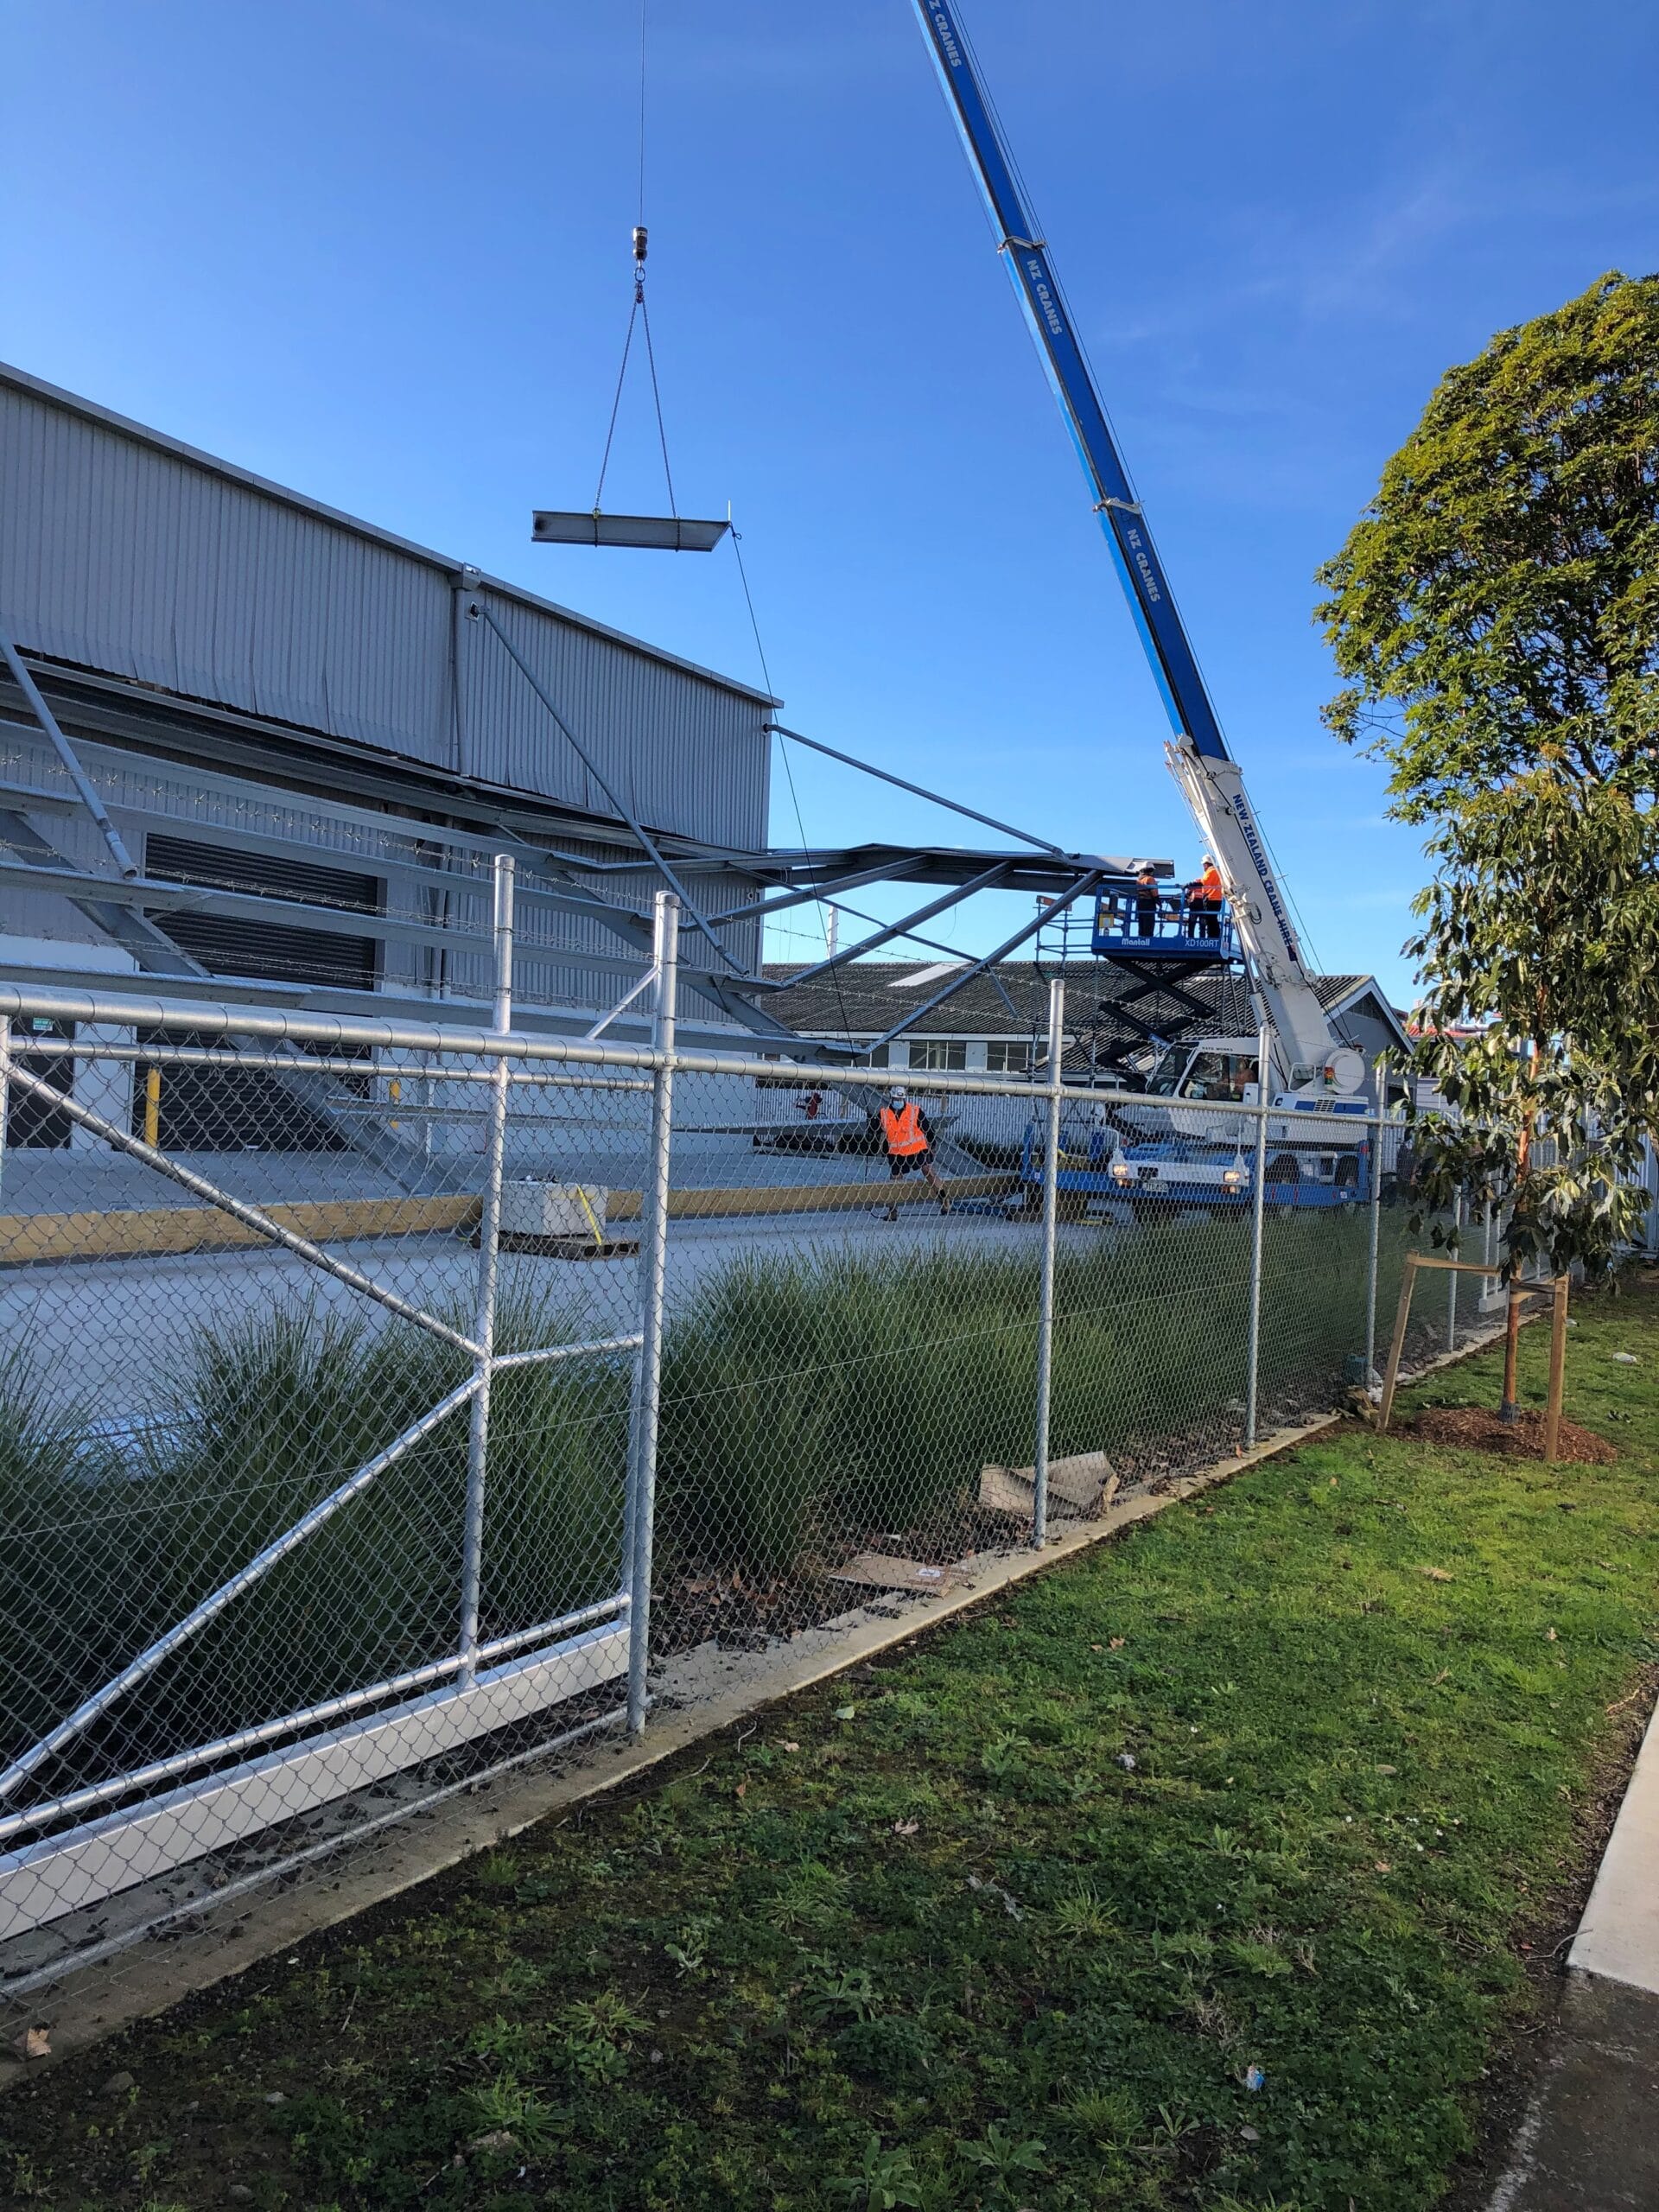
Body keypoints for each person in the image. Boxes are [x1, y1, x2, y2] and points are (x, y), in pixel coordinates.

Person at [877, 1083, 950, 1220]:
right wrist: (873, 1123)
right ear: (891, 1099)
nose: (898, 1102)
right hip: (897, 1153)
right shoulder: (884, 1114)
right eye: (896, 1100)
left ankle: (945, 1200)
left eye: (900, 1100)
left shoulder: (914, 1111)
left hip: (916, 1150)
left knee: (928, 1171)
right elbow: (874, 1129)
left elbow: (928, 1130)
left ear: (904, 1099)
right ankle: (893, 1212)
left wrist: (932, 1146)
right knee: (895, 1180)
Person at [1185, 854, 1224, 939]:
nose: (1203, 867)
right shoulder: (1218, 871)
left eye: (1203, 865)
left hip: (1211, 899)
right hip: (1218, 899)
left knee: (1210, 920)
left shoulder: (1211, 871)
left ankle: (1212, 937)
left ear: (1206, 864)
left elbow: (1203, 883)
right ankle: (1215, 937)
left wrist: (1189, 885)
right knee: (1212, 919)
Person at [1133, 864, 1160, 939]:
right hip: (1148, 903)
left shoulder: (1138, 880)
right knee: (1149, 922)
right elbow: (1154, 892)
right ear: (1150, 870)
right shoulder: (1150, 879)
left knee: (1141, 921)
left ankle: (1141, 937)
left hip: (1140, 902)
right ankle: (1148, 938)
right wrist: (1158, 902)